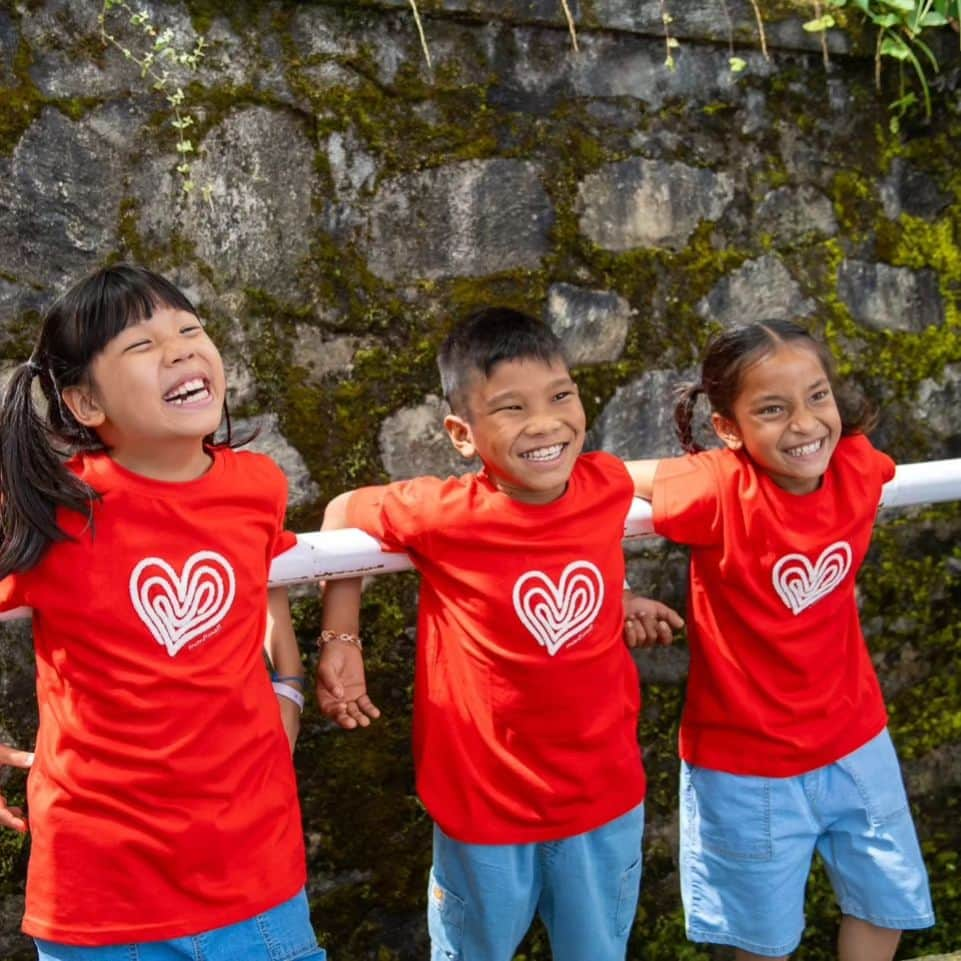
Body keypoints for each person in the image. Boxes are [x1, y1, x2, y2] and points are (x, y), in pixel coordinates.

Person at [315, 307, 683, 961]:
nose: (545, 423)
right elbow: (344, 513)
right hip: (483, 807)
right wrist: (341, 642)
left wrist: (617, 598)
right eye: (511, 408)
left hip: (602, 797)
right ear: (462, 433)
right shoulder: (446, 514)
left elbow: (663, 491)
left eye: (561, 395)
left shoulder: (602, 482)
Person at [0, 264, 324, 960]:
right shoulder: (52, 514)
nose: (179, 348)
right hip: (99, 896)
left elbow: (257, 581)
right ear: (86, 401)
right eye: (141, 345)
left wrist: (288, 685)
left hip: (256, 878)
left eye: (190, 329)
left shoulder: (258, 486)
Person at [624, 319, 935, 961]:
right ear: (728, 428)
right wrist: (620, 593)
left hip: (857, 741)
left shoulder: (856, 462)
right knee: (759, 940)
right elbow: (598, 481)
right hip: (746, 764)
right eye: (772, 409)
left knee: (887, 904)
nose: (804, 424)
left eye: (816, 397)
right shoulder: (716, 485)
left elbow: (875, 463)